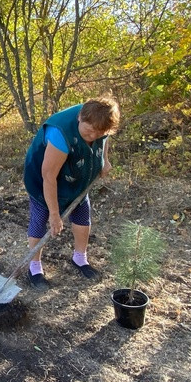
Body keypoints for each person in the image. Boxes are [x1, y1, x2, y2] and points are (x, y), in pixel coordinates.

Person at [22, 97, 120, 289]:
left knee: (83, 215)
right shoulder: (61, 133)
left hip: (77, 178)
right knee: (40, 218)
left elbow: (104, 137)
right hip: (43, 181)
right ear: (80, 118)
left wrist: (104, 161)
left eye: (98, 133)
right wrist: (55, 214)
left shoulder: (100, 122)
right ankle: (34, 267)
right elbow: (48, 176)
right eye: (89, 131)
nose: (93, 136)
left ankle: (80, 258)